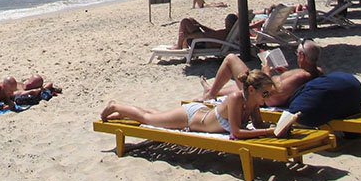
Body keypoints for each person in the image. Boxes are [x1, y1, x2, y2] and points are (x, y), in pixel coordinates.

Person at [101, 70, 283, 139]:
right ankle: (116, 106)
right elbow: (236, 132)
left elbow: (259, 125)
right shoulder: (236, 98)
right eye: (265, 93)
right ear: (251, 90)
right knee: (148, 119)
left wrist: (280, 127)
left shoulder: (253, 103)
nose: (267, 97)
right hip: (190, 117)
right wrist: (268, 132)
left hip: (201, 114)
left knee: (156, 114)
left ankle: (123, 113)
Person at [197, 40, 322, 106]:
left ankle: (210, 95)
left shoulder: (301, 76)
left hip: (259, 97)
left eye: (297, 54)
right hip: (261, 91)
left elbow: (268, 93)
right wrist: (285, 73)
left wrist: (266, 72)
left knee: (231, 58)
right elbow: (287, 87)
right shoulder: (315, 71)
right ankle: (212, 91)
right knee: (240, 83)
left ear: (301, 56)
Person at [170, 13, 237, 49]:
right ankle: (182, 45)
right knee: (190, 20)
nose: (225, 22)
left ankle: (179, 45)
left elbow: (203, 35)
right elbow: (213, 33)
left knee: (185, 21)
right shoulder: (230, 32)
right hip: (206, 41)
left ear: (230, 23)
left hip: (200, 43)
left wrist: (186, 36)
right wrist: (201, 26)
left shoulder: (224, 33)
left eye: (226, 21)